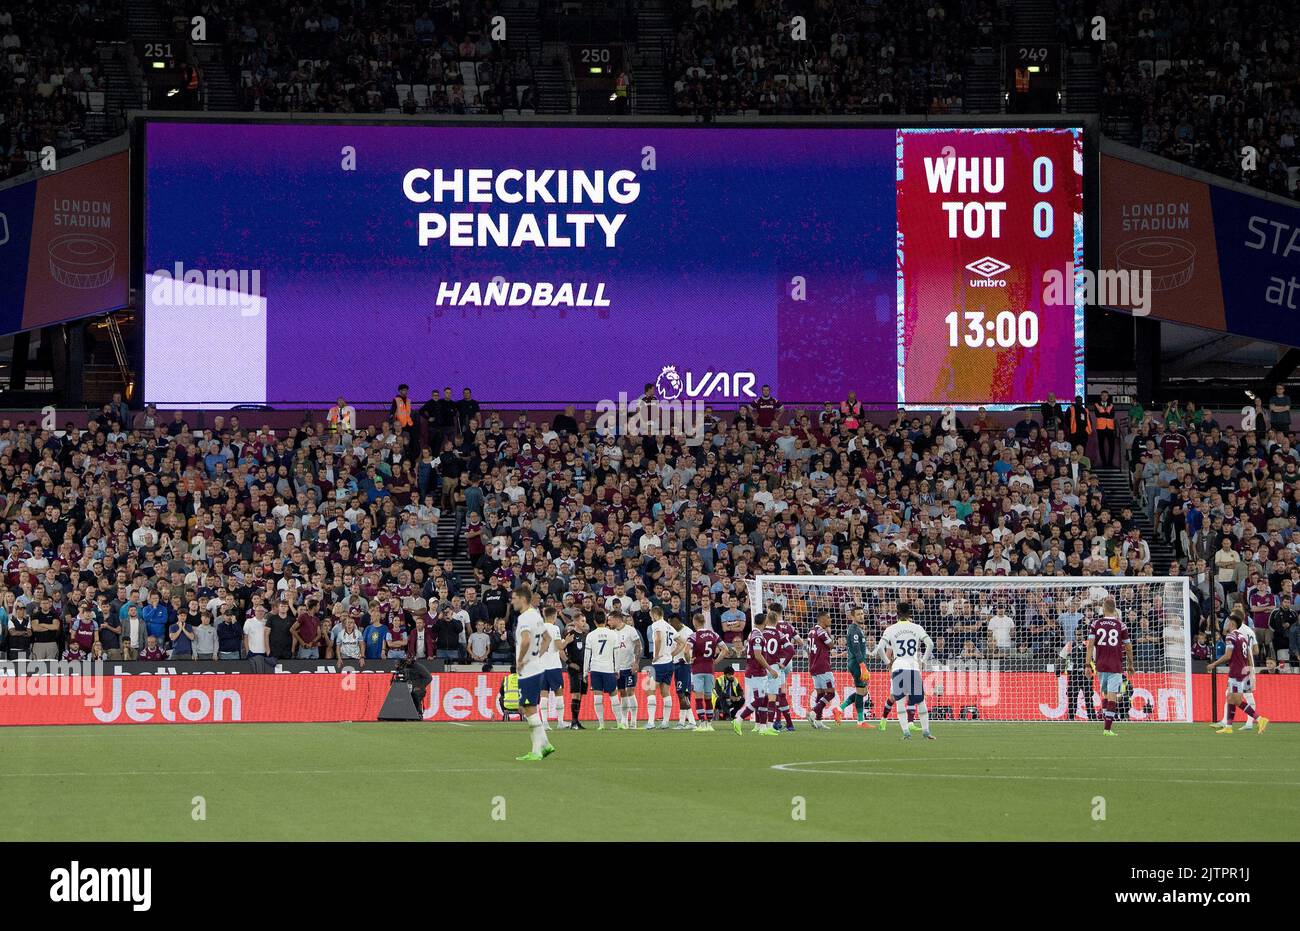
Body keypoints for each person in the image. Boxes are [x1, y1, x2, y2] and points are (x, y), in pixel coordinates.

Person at [874, 601, 935, 740]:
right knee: (920, 701)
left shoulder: (890, 629)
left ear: (897, 613)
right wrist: (924, 661)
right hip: (913, 667)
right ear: (910, 613)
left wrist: (888, 663)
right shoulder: (917, 627)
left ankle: (906, 733)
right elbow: (930, 644)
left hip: (898, 667)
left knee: (900, 701)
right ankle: (926, 732)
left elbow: (879, 649)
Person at [512, 584, 555, 762]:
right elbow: (547, 638)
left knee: (529, 709)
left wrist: (521, 660)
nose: (512, 601)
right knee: (529, 707)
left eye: (514, 598)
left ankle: (537, 750)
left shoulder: (525, 618)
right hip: (537, 667)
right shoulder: (536, 615)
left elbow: (525, 641)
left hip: (529, 671)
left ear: (522, 599)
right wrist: (538, 655)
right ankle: (544, 744)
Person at [1206, 613, 1268, 734]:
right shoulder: (1242, 637)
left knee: (1236, 700)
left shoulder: (1231, 636)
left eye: (1228, 622)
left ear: (1232, 623)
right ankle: (1229, 727)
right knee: (1230, 697)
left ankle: (1260, 719)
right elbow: (1249, 654)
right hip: (1244, 671)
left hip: (1236, 672)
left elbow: (1228, 656)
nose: (1227, 624)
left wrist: (1213, 664)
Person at [1085, 596, 1135, 736]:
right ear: (1115, 609)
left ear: (1103, 609)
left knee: (1106, 695)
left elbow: (1090, 646)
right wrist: (1130, 664)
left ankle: (1106, 724)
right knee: (1112, 696)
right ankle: (1107, 729)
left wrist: (1087, 665)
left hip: (1100, 665)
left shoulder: (1095, 623)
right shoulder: (1121, 625)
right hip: (1115, 665)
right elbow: (1128, 647)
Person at [733, 611, 780, 736]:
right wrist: (770, 669)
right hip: (755, 672)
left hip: (758, 671)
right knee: (759, 700)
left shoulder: (754, 634)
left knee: (763, 699)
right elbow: (758, 656)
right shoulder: (758, 636)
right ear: (764, 622)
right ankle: (739, 719)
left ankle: (763, 727)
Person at [766, 602, 800, 731]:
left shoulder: (771, 627)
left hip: (775, 662)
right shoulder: (789, 626)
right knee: (780, 691)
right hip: (787, 661)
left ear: (771, 612)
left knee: (776, 692)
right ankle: (779, 721)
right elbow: (800, 641)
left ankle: (778, 721)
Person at [583, 613, 618, 729]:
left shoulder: (590, 635)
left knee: (598, 696)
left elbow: (587, 655)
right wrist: (616, 669)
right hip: (608, 668)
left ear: (594, 622)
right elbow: (616, 653)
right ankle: (619, 723)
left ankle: (601, 724)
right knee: (613, 695)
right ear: (606, 620)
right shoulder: (613, 634)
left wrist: (585, 672)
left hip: (595, 668)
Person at [688, 612, 723, 731]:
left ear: (695, 622)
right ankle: (709, 724)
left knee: (698, 697)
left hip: (697, 669)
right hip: (709, 669)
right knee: (708, 697)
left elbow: (686, 650)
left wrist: (689, 660)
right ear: (704, 622)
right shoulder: (714, 634)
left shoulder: (693, 636)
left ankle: (702, 723)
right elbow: (725, 649)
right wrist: (716, 661)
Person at [838, 605, 872, 726]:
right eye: (858, 614)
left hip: (858, 662)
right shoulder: (854, 630)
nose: (861, 616)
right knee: (860, 691)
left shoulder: (857, 629)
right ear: (852, 616)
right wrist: (862, 666)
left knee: (863, 691)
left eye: (862, 613)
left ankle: (839, 709)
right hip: (857, 664)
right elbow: (857, 650)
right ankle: (860, 721)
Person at [645, 605, 677, 729]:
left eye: (651, 616)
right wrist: (671, 654)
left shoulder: (656, 624)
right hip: (669, 663)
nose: (651, 618)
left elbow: (657, 639)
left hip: (659, 664)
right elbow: (681, 642)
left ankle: (651, 722)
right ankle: (665, 722)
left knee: (650, 690)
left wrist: (657, 655)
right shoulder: (670, 627)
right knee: (665, 692)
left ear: (654, 614)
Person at [805, 610, 836, 729]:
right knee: (831, 693)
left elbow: (809, 650)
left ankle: (818, 721)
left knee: (821, 693)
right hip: (823, 666)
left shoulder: (811, 631)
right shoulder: (821, 631)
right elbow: (831, 645)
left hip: (813, 666)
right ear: (822, 619)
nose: (830, 620)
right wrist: (829, 633)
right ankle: (813, 713)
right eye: (828, 618)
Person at [610, 611, 641, 729]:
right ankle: (624, 722)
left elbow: (638, 645)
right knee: (622, 693)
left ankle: (633, 721)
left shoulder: (630, 630)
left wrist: (636, 662)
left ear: (617, 619)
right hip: (618, 668)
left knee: (630, 692)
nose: (609, 622)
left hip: (629, 667)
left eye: (610, 619)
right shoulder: (612, 633)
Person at [539, 605, 566, 730]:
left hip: (541, 666)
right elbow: (559, 646)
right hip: (554, 666)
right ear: (554, 616)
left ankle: (544, 723)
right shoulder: (555, 628)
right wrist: (567, 641)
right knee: (558, 693)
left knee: (543, 694)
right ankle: (560, 722)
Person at [668, 614, 696, 729]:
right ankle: (689, 721)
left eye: (671, 622)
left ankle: (686, 722)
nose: (670, 625)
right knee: (683, 694)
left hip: (684, 664)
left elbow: (690, 648)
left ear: (677, 621)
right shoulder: (672, 631)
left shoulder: (688, 632)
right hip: (676, 664)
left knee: (682, 693)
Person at [561, 613, 588, 730]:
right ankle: (573, 722)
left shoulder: (586, 636)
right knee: (575, 694)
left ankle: (577, 721)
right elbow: (560, 650)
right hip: (574, 669)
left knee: (580, 695)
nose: (584, 623)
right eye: (582, 621)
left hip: (584, 669)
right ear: (576, 622)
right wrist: (569, 663)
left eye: (584, 621)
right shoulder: (570, 634)